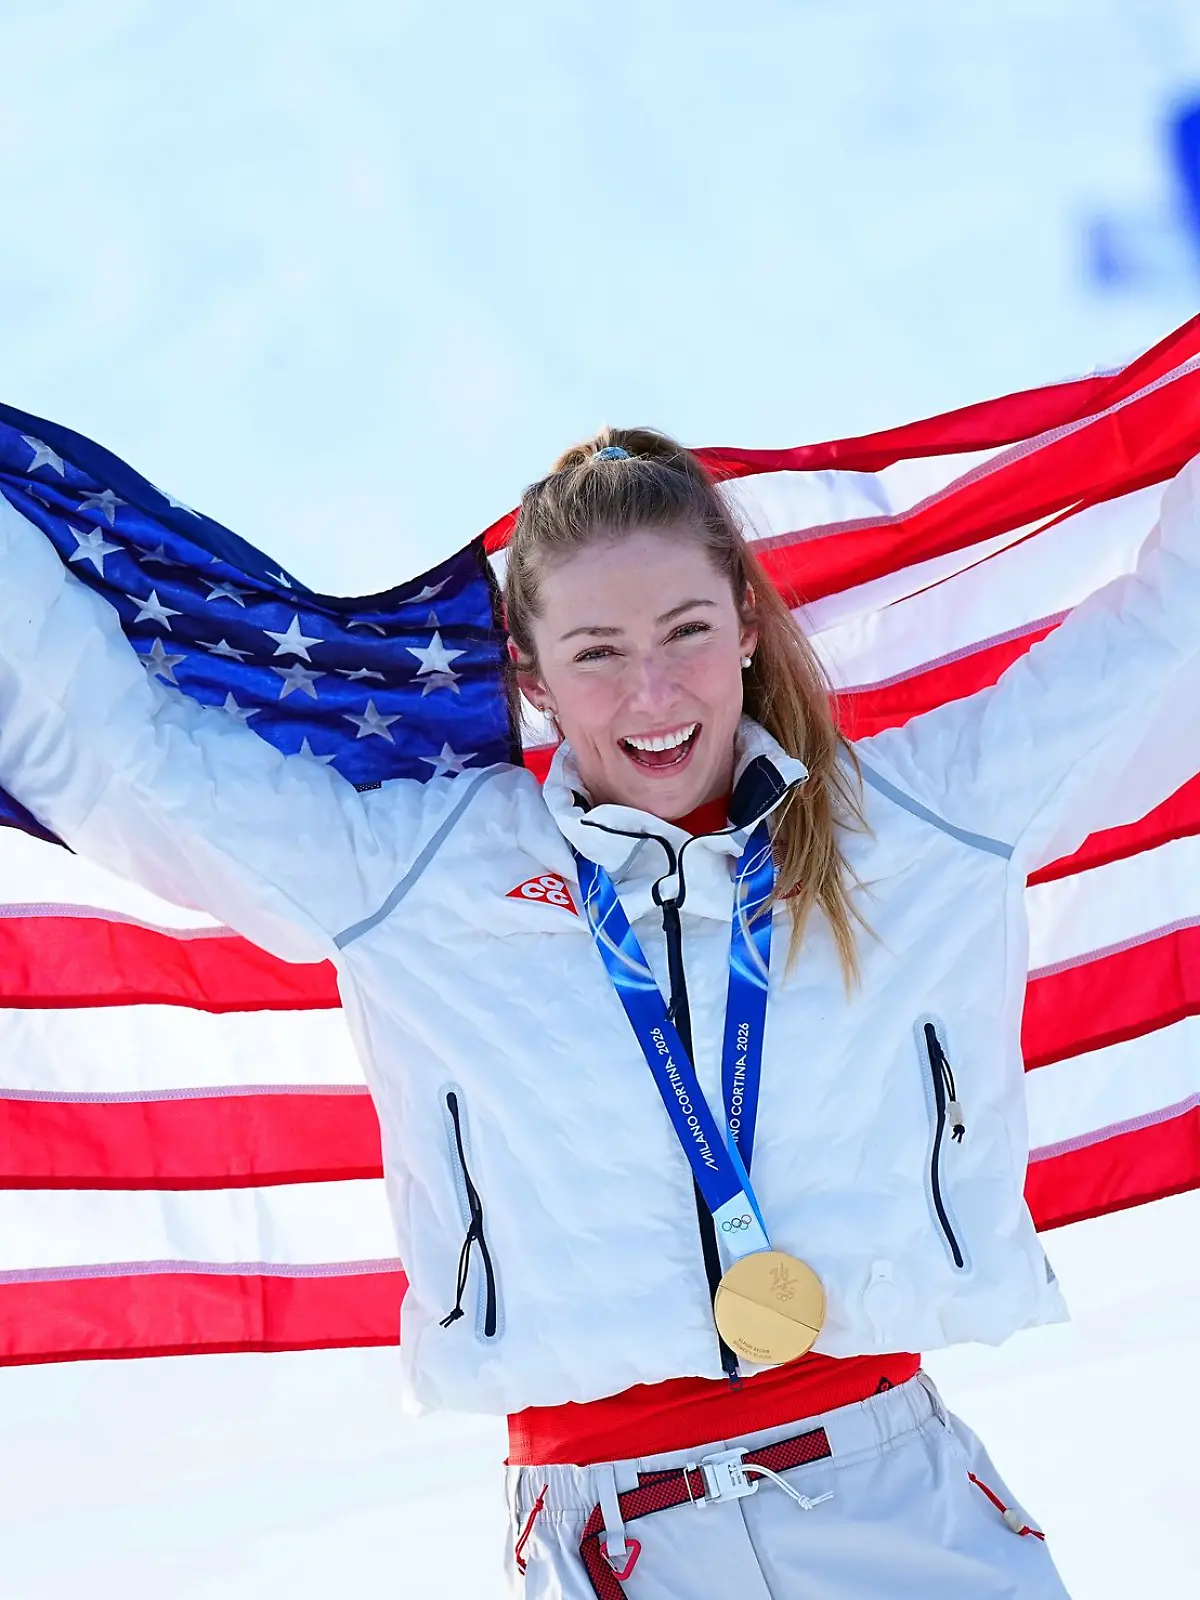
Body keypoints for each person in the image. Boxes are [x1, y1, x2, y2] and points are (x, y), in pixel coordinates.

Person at [1, 425, 1198, 1599]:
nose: (653, 691)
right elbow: (131, 759)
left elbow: (1165, 646)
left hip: (899, 1504)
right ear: (528, 672)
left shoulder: (916, 819)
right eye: (597, 652)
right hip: (611, 1538)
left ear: (743, 618)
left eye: (685, 631)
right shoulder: (415, 874)